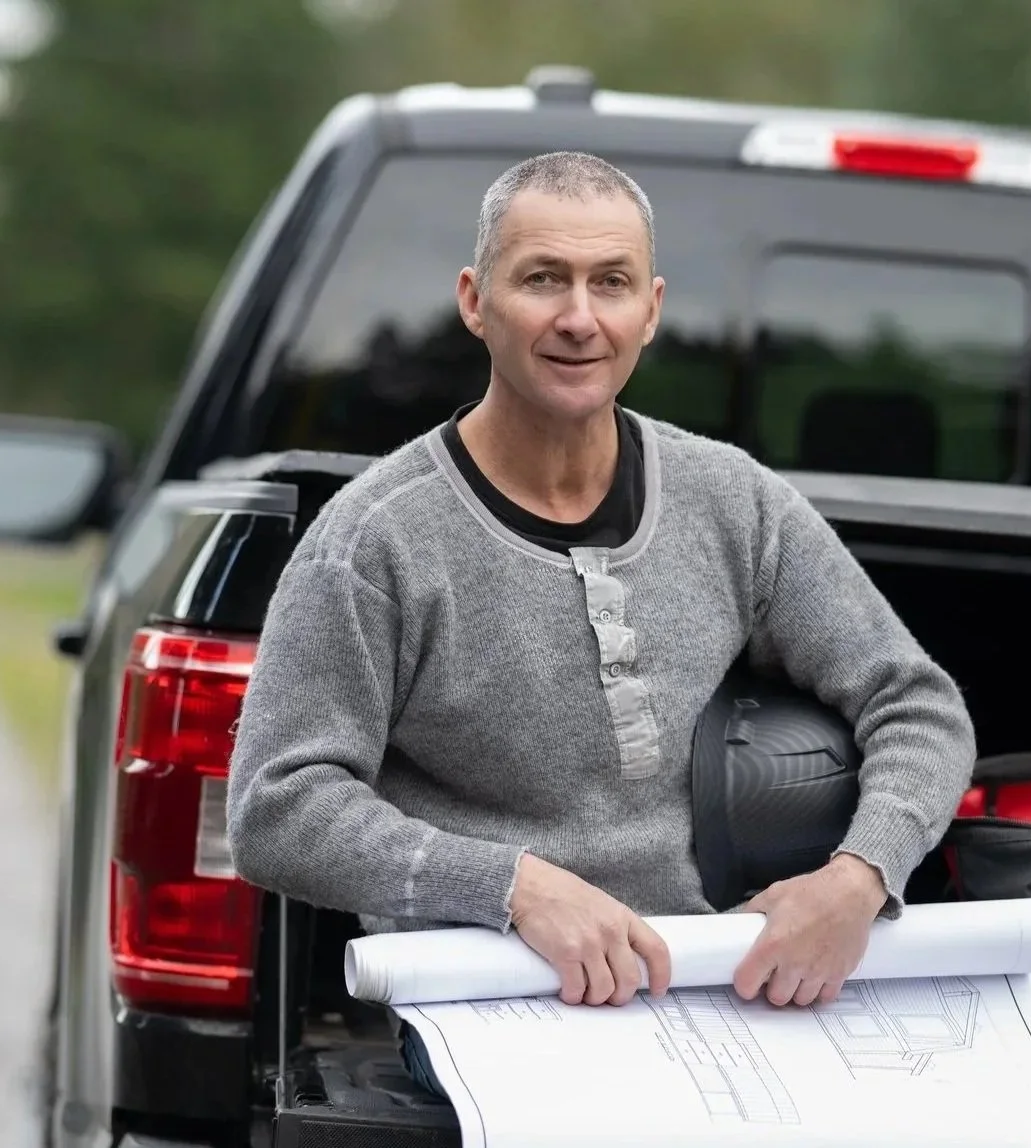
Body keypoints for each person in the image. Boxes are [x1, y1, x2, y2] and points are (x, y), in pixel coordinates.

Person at [224, 151, 977, 1092]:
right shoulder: (378, 539)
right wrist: (510, 889)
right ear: (475, 299)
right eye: (543, 279)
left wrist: (860, 880)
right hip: (483, 1003)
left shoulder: (734, 502)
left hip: (716, 990)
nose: (580, 318)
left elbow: (917, 706)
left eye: (610, 283)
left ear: (650, 309)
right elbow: (276, 808)